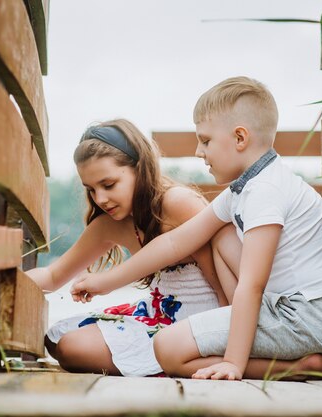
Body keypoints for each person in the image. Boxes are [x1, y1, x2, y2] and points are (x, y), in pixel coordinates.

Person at [70, 76, 322, 381]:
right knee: (216, 234)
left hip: (309, 318)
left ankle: (294, 367)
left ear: (240, 138)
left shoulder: (265, 192)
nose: (198, 151)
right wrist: (106, 282)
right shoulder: (243, 191)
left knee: (167, 349)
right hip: (295, 312)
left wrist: (233, 362)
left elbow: (252, 285)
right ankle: (283, 361)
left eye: (205, 141)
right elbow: (174, 243)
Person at [27, 118, 227, 377]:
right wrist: (5, 282)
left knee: (72, 348)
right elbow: (54, 275)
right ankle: (145, 359)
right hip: (156, 312)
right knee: (56, 338)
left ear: (139, 169)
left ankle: (178, 360)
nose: (100, 199)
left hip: (199, 318)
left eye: (108, 185)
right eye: (91, 189)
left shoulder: (177, 204)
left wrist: (230, 333)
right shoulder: (110, 224)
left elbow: (219, 278)